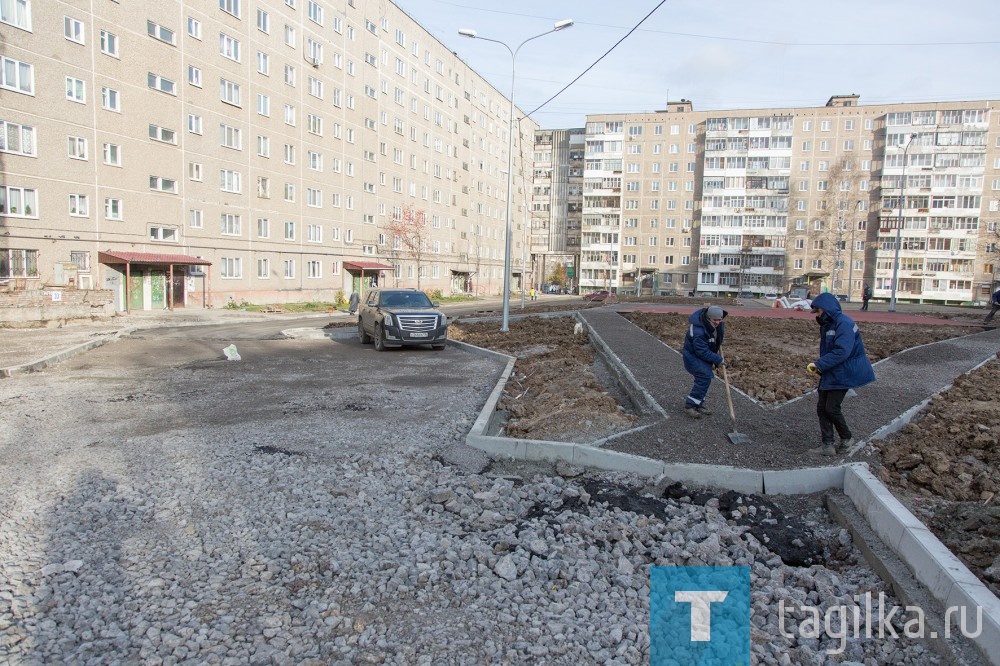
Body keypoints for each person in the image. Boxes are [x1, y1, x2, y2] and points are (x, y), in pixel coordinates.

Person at [807, 292, 876, 456]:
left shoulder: (843, 323)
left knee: (831, 408)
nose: (816, 315)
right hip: (832, 370)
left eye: (818, 311)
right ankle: (827, 445)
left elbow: (842, 351)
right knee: (822, 408)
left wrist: (819, 364)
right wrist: (822, 367)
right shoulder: (828, 324)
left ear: (826, 309)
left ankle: (846, 438)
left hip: (845, 371)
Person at [682, 305, 726, 418]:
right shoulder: (698, 331)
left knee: (705, 380)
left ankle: (698, 403)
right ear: (708, 318)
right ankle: (690, 406)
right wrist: (718, 359)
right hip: (693, 357)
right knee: (704, 377)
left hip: (701, 357)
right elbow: (702, 351)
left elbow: (716, 335)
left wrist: (719, 340)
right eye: (715, 320)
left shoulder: (714, 324)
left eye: (720, 319)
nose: (718, 322)